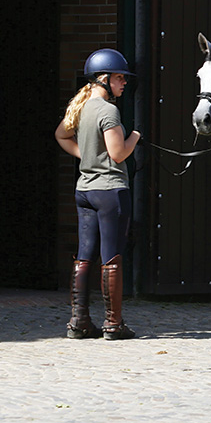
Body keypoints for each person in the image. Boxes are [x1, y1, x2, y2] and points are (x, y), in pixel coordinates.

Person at [54, 48, 141, 340]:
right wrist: (135, 137)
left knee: (84, 256)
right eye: (119, 77)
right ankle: (113, 324)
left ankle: (78, 322)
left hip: (85, 190)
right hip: (109, 191)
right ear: (103, 78)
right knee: (111, 257)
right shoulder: (108, 110)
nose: (124, 82)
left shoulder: (80, 107)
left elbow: (61, 135)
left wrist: (87, 156)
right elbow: (118, 153)